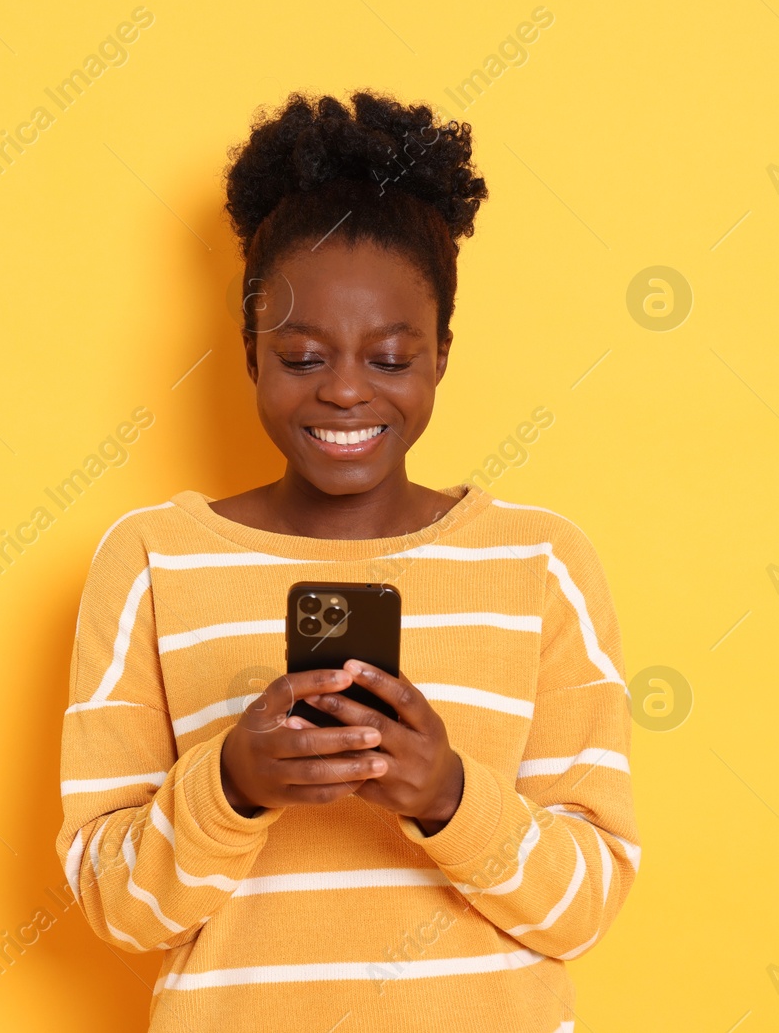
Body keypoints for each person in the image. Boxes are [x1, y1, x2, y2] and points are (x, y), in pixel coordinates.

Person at [56, 91, 637, 1032]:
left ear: (442, 354)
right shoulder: (151, 562)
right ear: (249, 352)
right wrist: (234, 782)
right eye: (301, 355)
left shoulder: (543, 564)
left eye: (393, 357)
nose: (346, 390)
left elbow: (583, 906)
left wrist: (449, 795)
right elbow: (116, 906)